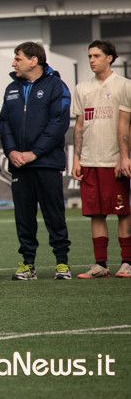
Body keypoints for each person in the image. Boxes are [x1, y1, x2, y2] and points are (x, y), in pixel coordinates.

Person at [0, 42, 72, 281]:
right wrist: (11, 151)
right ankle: (27, 263)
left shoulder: (57, 86)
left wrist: (35, 153)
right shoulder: (11, 88)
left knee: (54, 214)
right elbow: (4, 123)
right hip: (19, 165)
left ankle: (62, 262)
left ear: (34, 61)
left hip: (47, 163)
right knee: (23, 217)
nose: (13, 63)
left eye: (18, 58)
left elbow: (58, 123)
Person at [71, 40, 131, 279]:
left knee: (123, 212)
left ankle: (127, 262)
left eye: (96, 56)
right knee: (95, 213)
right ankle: (100, 264)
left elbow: (126, 125)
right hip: (89, 161)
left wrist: (124, 157)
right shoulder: (82, 88)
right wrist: (77, 159)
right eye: (89, 56)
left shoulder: (124, 85)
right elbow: (79, 126)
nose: (91, 60)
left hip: (114, 161)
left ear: (109, 58)